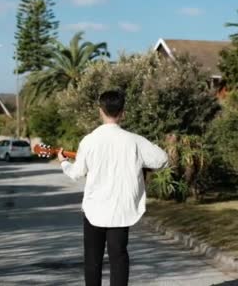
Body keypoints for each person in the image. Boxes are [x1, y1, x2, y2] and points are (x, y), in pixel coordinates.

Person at [58, 90, 169, 286]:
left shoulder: (89, 140)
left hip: (95, 209)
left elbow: (76, 173)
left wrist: (64, 163)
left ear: (100, 111)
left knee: (93, 260)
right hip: (121, 209)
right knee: (119, 257)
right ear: (123, 112)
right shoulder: (134, 140)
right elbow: (162, 159)